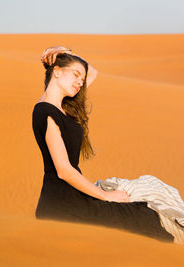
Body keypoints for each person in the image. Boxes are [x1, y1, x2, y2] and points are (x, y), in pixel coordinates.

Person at [31, 46, 174, 242]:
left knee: (144, 214)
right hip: (62, 204)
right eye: (75, 75)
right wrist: (105, 196)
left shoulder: (64, 107)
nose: (80, 82)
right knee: (141, 220)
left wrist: (66, 50)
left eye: (81, 79)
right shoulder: (44, 111)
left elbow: (93, 72)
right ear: (56, 72)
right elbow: (63, 170)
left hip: (73, 197)